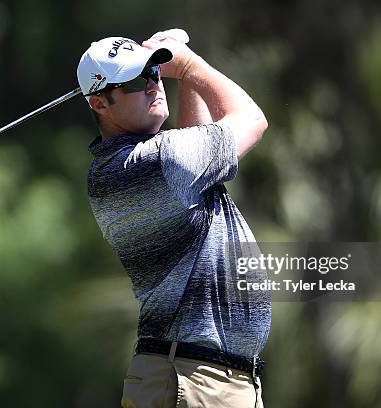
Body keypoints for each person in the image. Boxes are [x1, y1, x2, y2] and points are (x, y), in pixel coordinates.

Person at [77, 29, 271, 408]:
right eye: (136, 80)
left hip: (194, 377)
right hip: (192, 380)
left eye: (154, 72)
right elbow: (253, 119)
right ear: (99, 103)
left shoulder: (123, 166)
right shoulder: (156, 162)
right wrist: (190, 66)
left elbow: (192, 140)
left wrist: (183, 77)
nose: (153, 85)